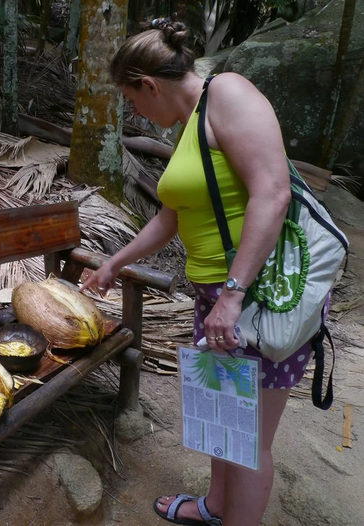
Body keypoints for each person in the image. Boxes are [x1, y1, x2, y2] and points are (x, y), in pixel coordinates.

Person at [79, 19, 307, 526]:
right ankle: (215, 508)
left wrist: (231, 294)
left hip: (256, 301)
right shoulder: (190, 125)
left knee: (248, 441)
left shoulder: (228, 93)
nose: (136, 112)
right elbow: (171, 217)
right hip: (218, 300)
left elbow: (272, 192)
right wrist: (115, 262)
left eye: (133, 101)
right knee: (223, 421)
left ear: (150, 85)